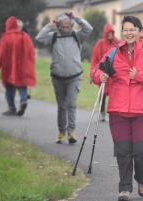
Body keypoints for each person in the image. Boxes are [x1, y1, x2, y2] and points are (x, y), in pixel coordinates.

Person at [91, 16, 143, 201]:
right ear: (122, 32)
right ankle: (125, 188)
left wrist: (140, 75)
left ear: (140, 32)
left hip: (142, 111)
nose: (129, 33)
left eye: (132, 29)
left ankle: (142, 180)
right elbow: (95, 70)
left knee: (140, 151)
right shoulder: (113, 53)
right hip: (118, 111)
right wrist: (99, 75)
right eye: (125, 30)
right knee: (123, 152)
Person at [35, 11, 93, 144]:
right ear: (59, 26)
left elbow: (89, 28)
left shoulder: (77, 35)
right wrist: (49, 26)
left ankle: (71, 132)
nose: (65, 29)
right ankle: (61, 132)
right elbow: (39, 37)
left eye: (68, 26)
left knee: (71, 104)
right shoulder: (53, 36)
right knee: (61, 106)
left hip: (74, 76)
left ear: (72, 25)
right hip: (57, 77)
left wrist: (77, 18)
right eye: (63, 27)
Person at [0, 16, 36, 117]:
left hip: (8, 67)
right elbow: (31, 53)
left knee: (9, 87)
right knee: (22, 84)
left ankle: (12, 108)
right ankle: (23, 100)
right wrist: (29, 65)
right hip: (22, 66)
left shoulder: (4, 38)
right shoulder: (25, 37)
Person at [90, 23, 120, 122]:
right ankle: (102, 111)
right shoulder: (100, 44)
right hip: (103, 72)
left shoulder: (117, 43)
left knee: (115, 93)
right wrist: (94, 73)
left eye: (111, 33)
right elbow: (95, 59)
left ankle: (113, 112)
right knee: (102, 93)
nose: (109, 35)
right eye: (108, 33)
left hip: (113, 73)